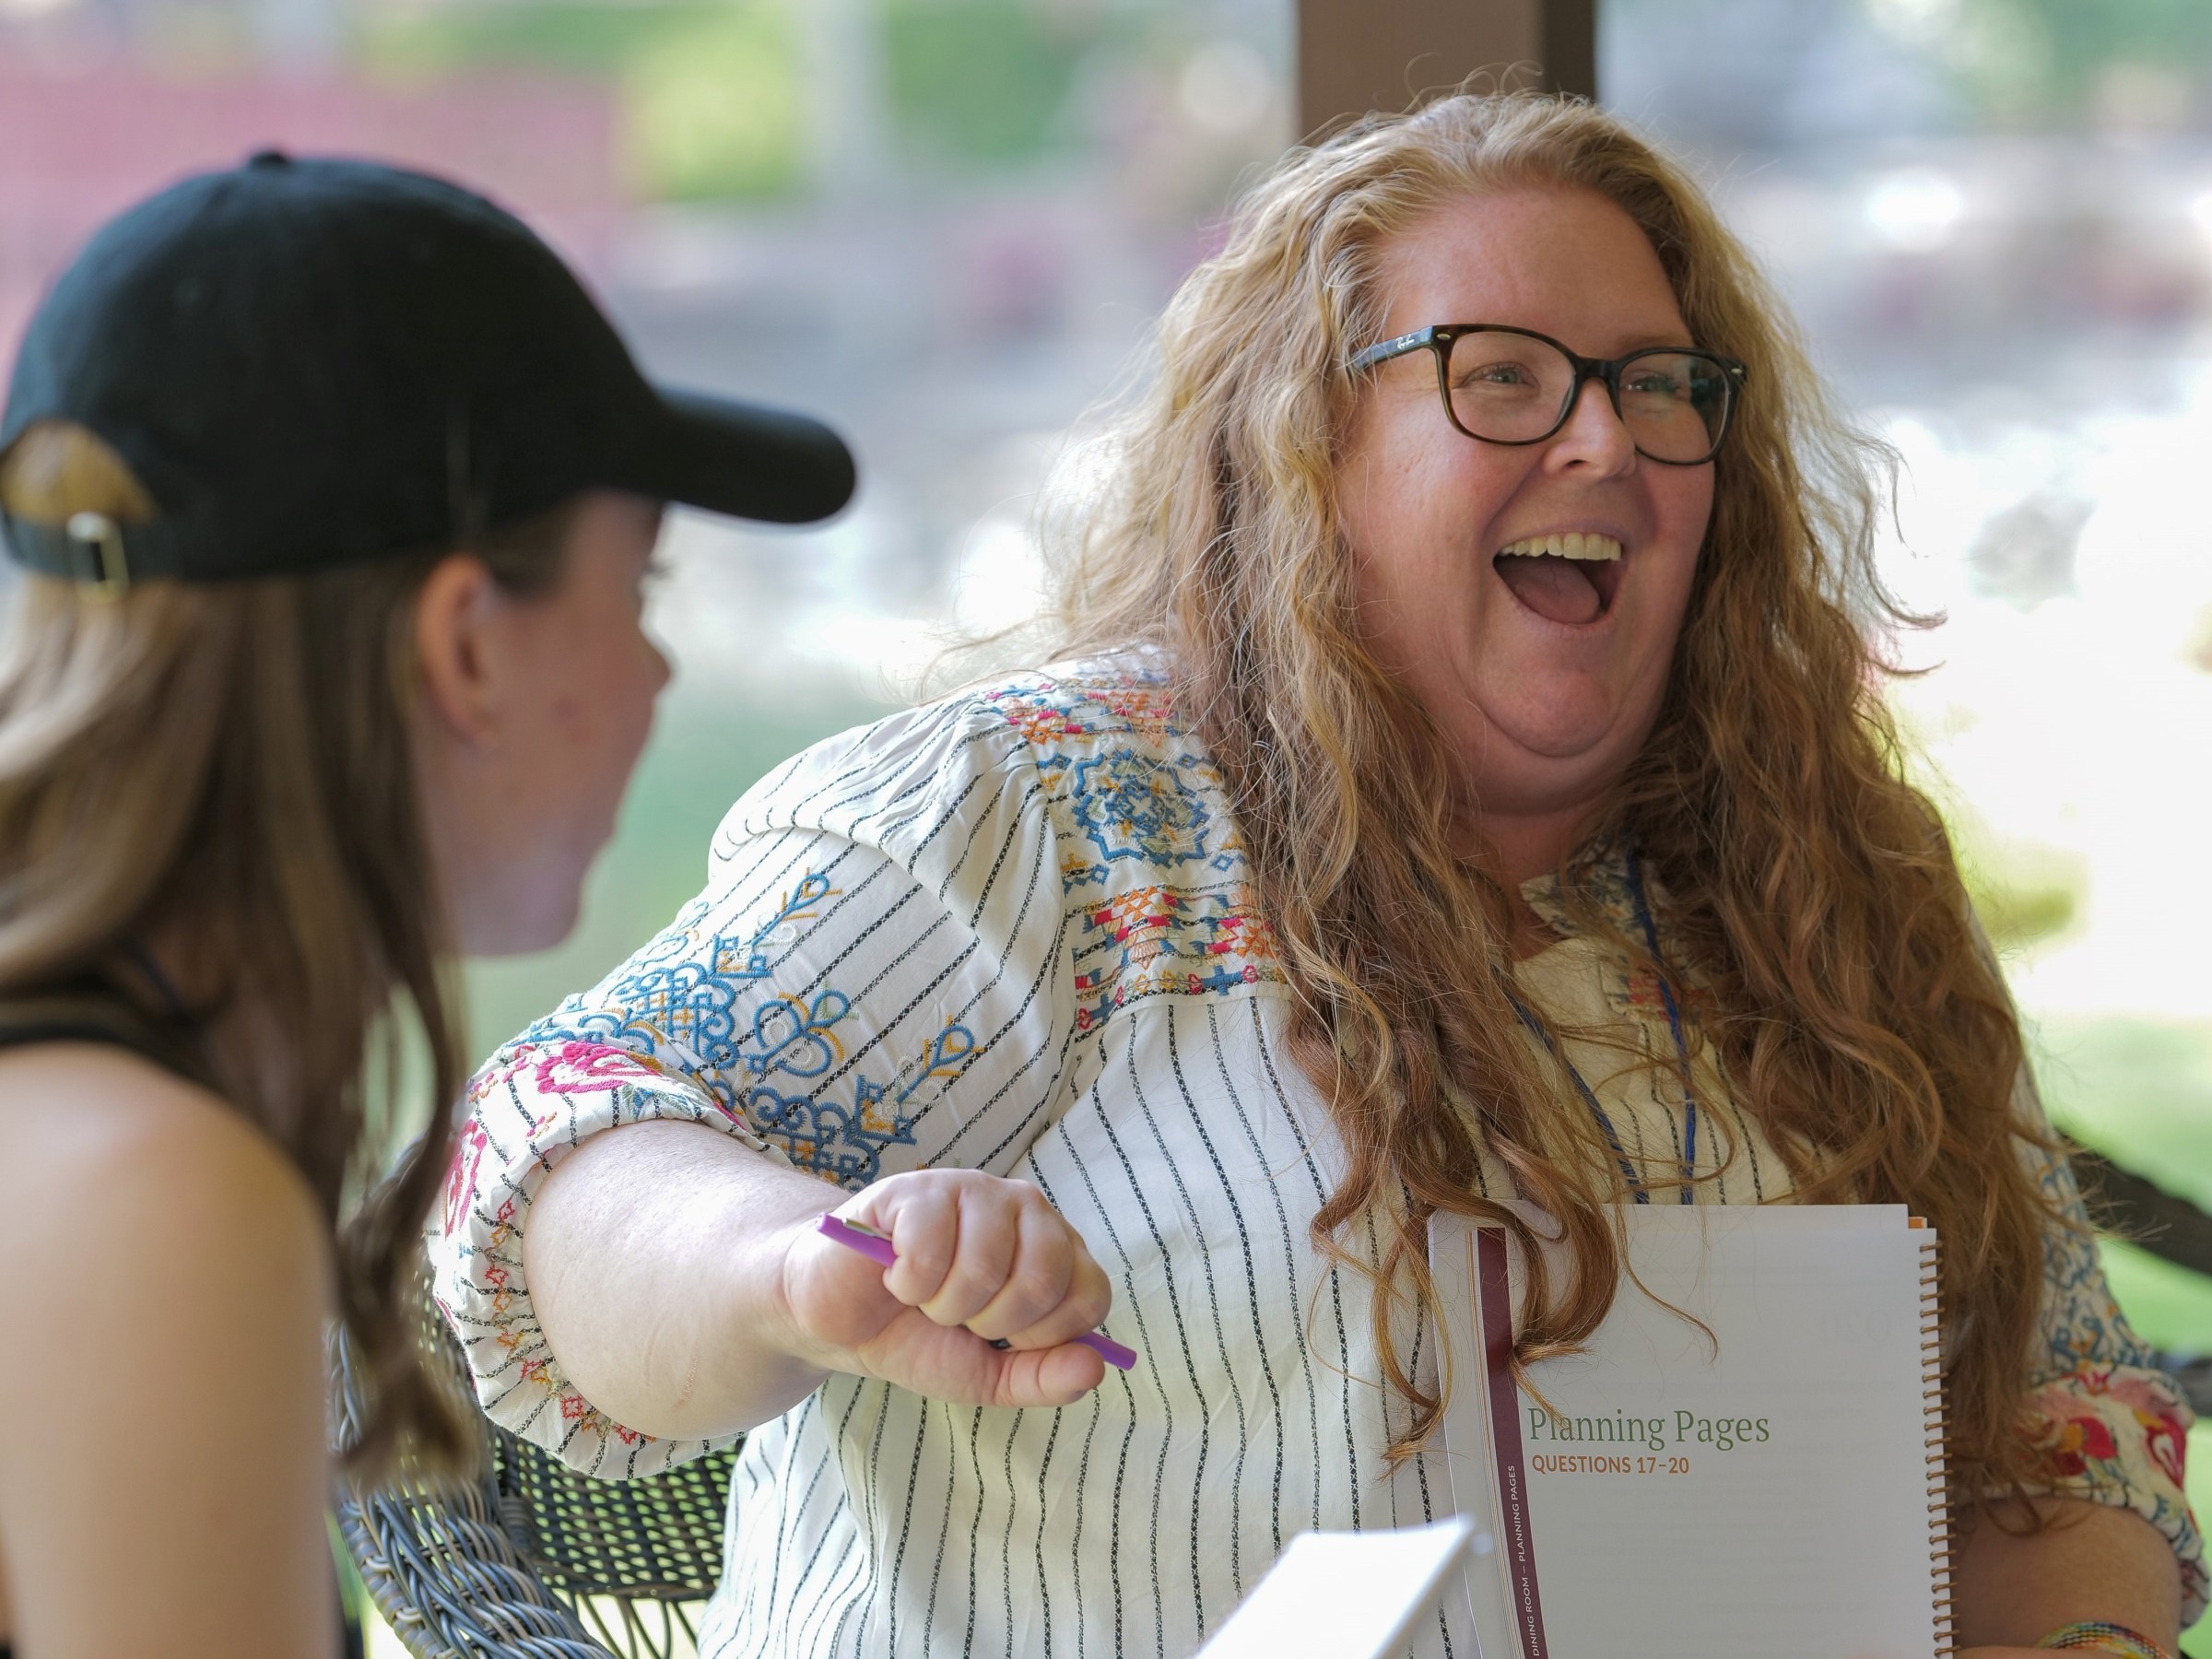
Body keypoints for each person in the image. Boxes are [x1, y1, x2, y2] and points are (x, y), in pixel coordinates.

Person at [430, 92, 2199, 1659]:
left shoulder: (1830, 881)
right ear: (1305, 455)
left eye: (1661, 387)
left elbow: (2050, 1420)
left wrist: (2082, 1636)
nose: (1605, 440)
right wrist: (798, 1269)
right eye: (1502, 375)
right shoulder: (1044, 816)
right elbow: (558, 1167)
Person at [0, 153, 853, 1656]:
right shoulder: (156, 1192)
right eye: (640, 594)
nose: (657, 673)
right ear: (466, 646)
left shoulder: (97, 1114)